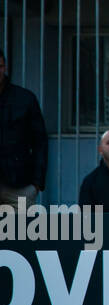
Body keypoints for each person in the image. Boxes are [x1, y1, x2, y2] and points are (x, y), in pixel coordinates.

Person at [0, 48, 48, 206]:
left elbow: (40, 141)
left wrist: (36, 184)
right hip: (20, 183)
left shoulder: (25, 99)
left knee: (22, 231)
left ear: (5, 67)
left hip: (20, 185)